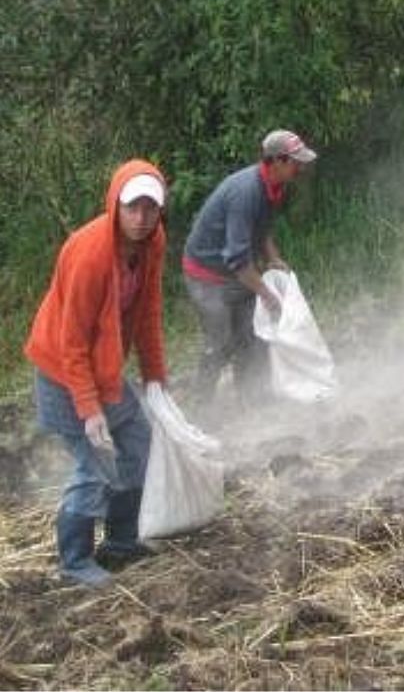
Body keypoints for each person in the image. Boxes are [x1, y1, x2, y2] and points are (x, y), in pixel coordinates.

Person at [25, 159, 170, 587]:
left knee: (139, 446)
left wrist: (155, 379)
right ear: (114, 204)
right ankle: (74, 560)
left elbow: (148, 314)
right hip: (61, 374)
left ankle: (121, 542)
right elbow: (72, 343)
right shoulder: (89, 254)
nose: (141, 219)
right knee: (96, 466)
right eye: (132, 208)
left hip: (103, 370)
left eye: (150, 208)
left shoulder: (153, 243)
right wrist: (89, 411)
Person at [182, 129, 316, 408]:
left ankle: (252, 403)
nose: (301, 167)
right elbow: (239, 261)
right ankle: (199, 408)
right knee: (220, 341)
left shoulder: (274, 186)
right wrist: (268, 295)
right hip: (207, 273)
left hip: (234, 269)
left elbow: (261, 227)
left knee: (253, 336)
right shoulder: (246, 193)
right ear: (276, 161)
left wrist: (272, 258)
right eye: (295, 162)